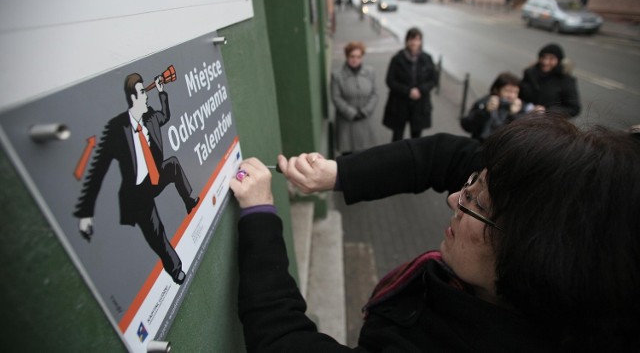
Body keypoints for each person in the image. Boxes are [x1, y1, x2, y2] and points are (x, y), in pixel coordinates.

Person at [231, 113, 640, 351]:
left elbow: (283, 340)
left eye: (477, 204)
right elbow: (444, 156)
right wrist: (337, 173)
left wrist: (260, 215)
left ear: (535, 258)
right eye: (472, 181)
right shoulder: (581, 205)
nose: (453, 199)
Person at [74, 73, 199, 285]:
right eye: (143, 93)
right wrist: (86, 212)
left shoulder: (150, 117)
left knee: (173, 164)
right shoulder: (117, 128)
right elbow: (98, 170)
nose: (146, 97)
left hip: (154, 177)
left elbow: (165, 116)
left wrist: (161, 91)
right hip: (137, 191)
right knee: (157, 232)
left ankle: (189, 201)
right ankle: (176, 269)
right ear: (132, 98)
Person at [382, 27, 437, 142]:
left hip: (420, 105)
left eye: (417, 39)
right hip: (399, 105)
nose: (414, 42)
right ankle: (396, 159)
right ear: (407, 40)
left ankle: (414, 159)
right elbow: (390, 80)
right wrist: (408, 91)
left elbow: (433, 80)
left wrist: (420, 90)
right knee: (397, 138)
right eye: (411, 39)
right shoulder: (397, 59)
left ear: (421, 41)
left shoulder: (427, 59)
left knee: (416, 139)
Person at [331, 41, 378, 155]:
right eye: (352, 56)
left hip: (365, 120)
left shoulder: (370, 72)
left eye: (358, 56)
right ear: (347, 56)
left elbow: (375, 94)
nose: (355, 59)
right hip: (346, 123)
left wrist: (365, 111)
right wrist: (352, 113)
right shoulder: (337, 75)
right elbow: (336, 97)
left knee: (366, 155)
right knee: (348, 157)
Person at [519, 43, 580, 118]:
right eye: (543, 57)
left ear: (558, 60)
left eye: (551, 59)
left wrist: (547, 111)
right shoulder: (530, 73)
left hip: (550, 124)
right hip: (525, 118)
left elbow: (573, 108)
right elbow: (519, 94)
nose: (546, 62)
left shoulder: (566, 80)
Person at [460, 71, 525, 141]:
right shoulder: (485, 102)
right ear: (496, 90)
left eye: (515, 92)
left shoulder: (520, 108)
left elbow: (515, 137)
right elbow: (467, 126)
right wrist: (485, 112)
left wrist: (513, 115)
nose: (511, 96)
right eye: (507, 91)